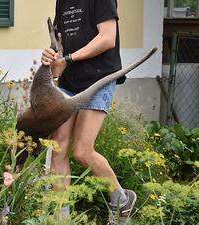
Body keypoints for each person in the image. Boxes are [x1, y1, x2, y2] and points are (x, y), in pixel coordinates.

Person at [40, 0, 135, 224]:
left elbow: (107, 38)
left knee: (82, 151)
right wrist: (52, 55)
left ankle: (121, 199)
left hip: (100, 78)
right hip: (69, 81)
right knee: (57, 148)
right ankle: (62, 218)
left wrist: (69, 59)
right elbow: (61, 43)